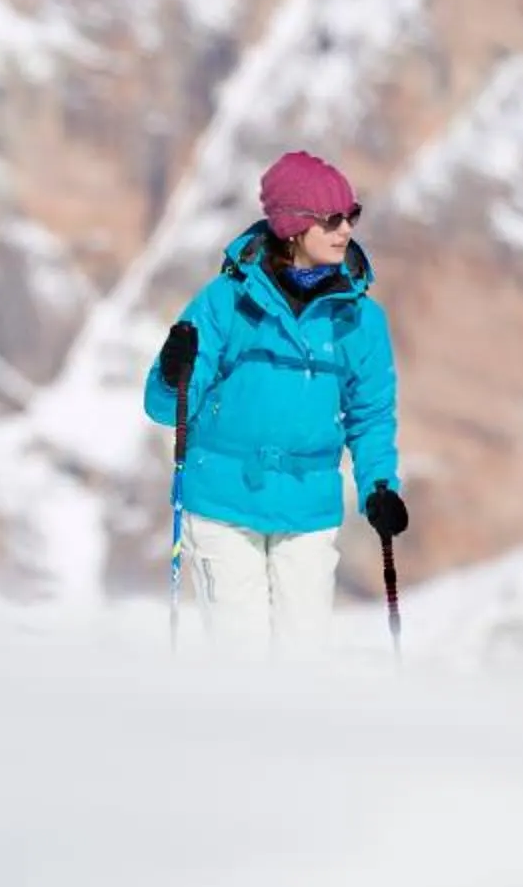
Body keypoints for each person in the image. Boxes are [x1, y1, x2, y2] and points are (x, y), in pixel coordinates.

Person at [143, 150, 405, 654]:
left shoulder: (362, 321)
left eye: (351, 216)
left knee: (302, 657)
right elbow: (166, 407)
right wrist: (172, 371)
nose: (345, 229)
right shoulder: (225, 301)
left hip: (308, 507)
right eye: (331, 219)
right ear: (291, 227)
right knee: (239, 652)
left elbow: (370, 415)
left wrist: (379, 487)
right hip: (222, 501)